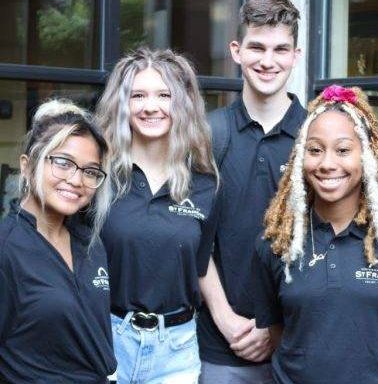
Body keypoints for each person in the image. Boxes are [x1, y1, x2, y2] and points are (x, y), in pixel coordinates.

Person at [252, 85, 378, 383]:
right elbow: (277, 329)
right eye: (315, 150)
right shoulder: (278, 242)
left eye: (343, 150)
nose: (327, 164)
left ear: (367, 155)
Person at [197, 0, 305, 383]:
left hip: (297, 347)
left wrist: (274, 328)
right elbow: (192, 236)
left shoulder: (316, 139)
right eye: (256, 47)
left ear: (296, 54)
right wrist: (225, 318)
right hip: (220, 345)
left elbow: (327, 242)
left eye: (280, 49)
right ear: (236, 51)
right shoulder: (207, 135)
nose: (267, 60)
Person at [95, 48, 219, 383]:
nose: (151, 106)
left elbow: (201, 265)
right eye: (138, 95)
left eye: (164, 95)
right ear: (123, 104)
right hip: (107, 340)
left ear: (182, 104)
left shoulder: (204, 184)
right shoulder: (99, 177)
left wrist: (229, 321)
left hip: (176, 349)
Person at [0, 99, 116, 382]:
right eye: (63, 163)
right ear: (27, 166)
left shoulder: (90, 243)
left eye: (90, 171)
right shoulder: (6, 249)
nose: (77, 180)